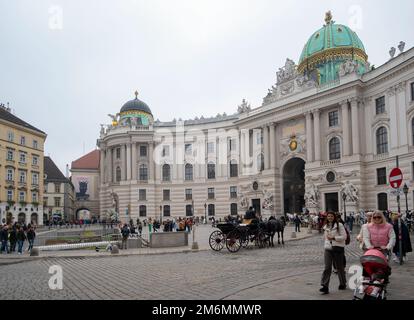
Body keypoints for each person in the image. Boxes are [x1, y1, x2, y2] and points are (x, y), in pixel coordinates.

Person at [320, 212, 347, 294]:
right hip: (328, 248)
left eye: (331, 216)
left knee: (339, 267)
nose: (330, 217)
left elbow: (344, 237)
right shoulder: (325, 226)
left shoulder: (339, 225)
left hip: (337, 248)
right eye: (328, 216)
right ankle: (325, 286)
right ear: (327, 217)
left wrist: (334, 238)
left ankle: (342, 283)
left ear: (334, 217)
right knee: (327, 267)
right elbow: (325, 237)